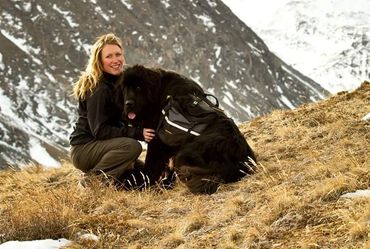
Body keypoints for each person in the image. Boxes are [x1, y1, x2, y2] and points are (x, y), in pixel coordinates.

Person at [69, 33, 155, 189]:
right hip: (85, 149)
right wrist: (137, 133)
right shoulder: (99, 89)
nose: (116, 60)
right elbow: (100, 131)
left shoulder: (119, 83)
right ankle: (91, 182)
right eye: (109, 56)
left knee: (147, 178)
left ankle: (111, 183)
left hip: (105, 146)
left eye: (118, 54)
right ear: (99, 61)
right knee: (132, 147)